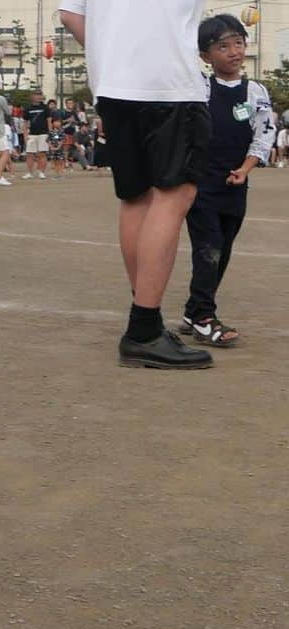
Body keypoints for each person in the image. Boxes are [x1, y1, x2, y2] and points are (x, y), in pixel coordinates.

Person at [59, 0, 214, 370]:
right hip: (168, 85)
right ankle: (144, 328)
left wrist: (114, 52)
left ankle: (147, 318)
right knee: (175, 194)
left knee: (136, 197)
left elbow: (69, 14)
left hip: (113, 85)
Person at [179, 14, 274, 349]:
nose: (233, 51)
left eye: (238, 43)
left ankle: (193, 312)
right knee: (209, 247)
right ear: (206, 56)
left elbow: (264, 134)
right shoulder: (199, 88)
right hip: (200, 184)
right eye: (222, 46)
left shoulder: (255, 91)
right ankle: (205, 317)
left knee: (224, 248)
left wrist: (246, 168)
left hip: (236, 183)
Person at [21, 88, 51, 179]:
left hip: (43, 133)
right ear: (32, 96)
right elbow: (25, 122)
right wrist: (25, 135)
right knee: (30, 153)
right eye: (36, 94)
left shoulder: (45, 108)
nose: (38, 96)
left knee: (42, 153)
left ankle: (41, 172)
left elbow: (49, 120)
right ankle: (29, 173)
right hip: (32, 134)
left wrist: (50, 133)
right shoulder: (28, 108)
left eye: (40, 94)